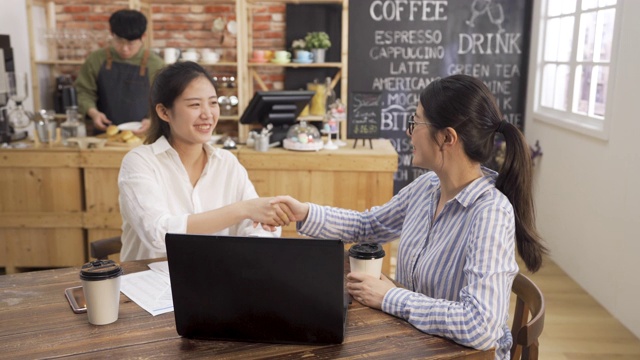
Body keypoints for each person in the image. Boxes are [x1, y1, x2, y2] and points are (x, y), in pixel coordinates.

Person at [273, 74, 547, 359]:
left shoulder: (490, 213)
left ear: (447, 138)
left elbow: (480, 324)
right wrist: (303, 212)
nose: (409, 132)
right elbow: (369, 225)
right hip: (413, 344)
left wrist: (390, 297)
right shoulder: (427, 187)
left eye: (416, 122)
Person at [118, 61, 290, 262]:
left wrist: (258, 234)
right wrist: (243, 209)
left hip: (214, 281)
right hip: (149, 286)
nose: (207, 114)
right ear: (164, 112)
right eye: (195, 105)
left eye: (213, 102)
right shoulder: (140, 162)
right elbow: (158, 234)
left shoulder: (227, 163)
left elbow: (259, 225)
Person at [75, 9, 164, 135]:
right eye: (119, 41)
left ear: (143, 37)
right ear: (111, 33)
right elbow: (84, 91)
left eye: (131, 43)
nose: (124, 49)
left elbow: (165, 100)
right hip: (105, 135)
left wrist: (152, 120)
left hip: (144, 138)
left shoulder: (156, 64)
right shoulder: (96, 59)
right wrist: (93, 113)